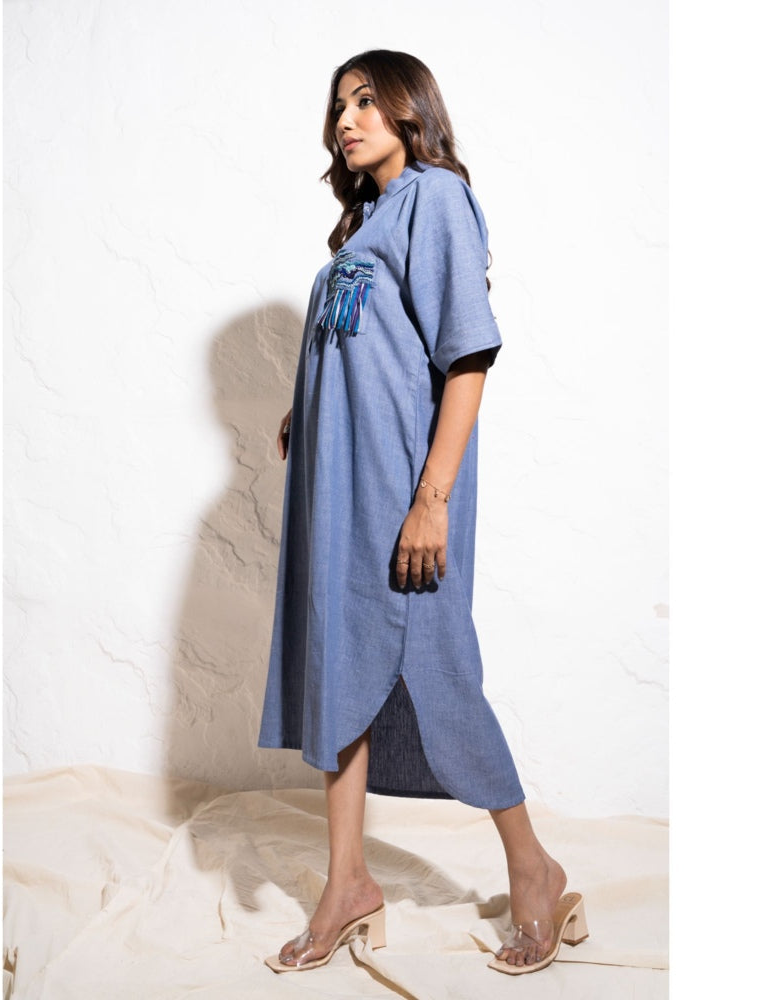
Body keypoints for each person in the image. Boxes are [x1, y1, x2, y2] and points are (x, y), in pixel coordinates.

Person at [257, 49, 585, 976]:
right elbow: (372, 346)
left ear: (410, 110)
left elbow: (466, 358)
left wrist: (431, 501)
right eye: (338, 105)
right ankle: (348, 883)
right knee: (340, 670)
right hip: (339, 491)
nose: (346, 119)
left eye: (366, 100)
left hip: (404, 491)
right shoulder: (364, 222)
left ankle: (534, 869)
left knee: (440, 671)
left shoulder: (436, 199)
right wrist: (309, 405)